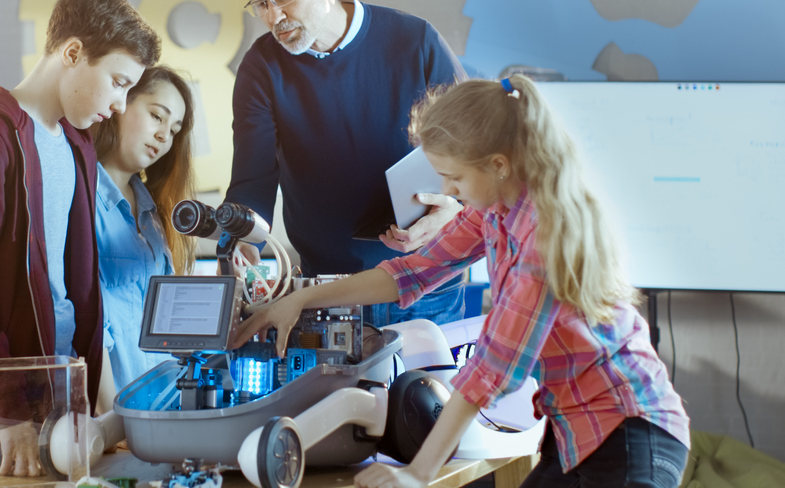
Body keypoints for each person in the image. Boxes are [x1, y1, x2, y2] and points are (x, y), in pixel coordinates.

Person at [234, 75, 690, 488]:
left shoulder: (546, 235)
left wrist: (419, 473)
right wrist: (301, 299)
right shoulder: (495, 212)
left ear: (498, 164)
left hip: (629, 430)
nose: (448, 192)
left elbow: (494, 369)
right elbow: (411, 272)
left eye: (454, 177)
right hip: (577, 429)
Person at [0, 0, 160, 487]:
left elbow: (70, 294)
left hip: (52, 410)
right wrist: (10, 414)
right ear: (72, 53)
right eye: (116, 82)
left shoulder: (75, 145)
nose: (118, 105)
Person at [226, 0, 468, 327]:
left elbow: (478, 151)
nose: (274, 16)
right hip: (325, 288)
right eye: (260, 4)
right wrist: (241, 238)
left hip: (427, 283)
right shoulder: (261, 67)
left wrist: (456, 211)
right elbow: (252, 180)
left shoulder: (415, 42)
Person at [90, 65, 196, 411]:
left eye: (174, 129)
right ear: (120, 103)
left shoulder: (154, 217)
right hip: (114, 417)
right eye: (157, 116)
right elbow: (89, 324)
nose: (165, 136)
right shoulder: (81, 198)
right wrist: (111, 423)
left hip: (162, 413)